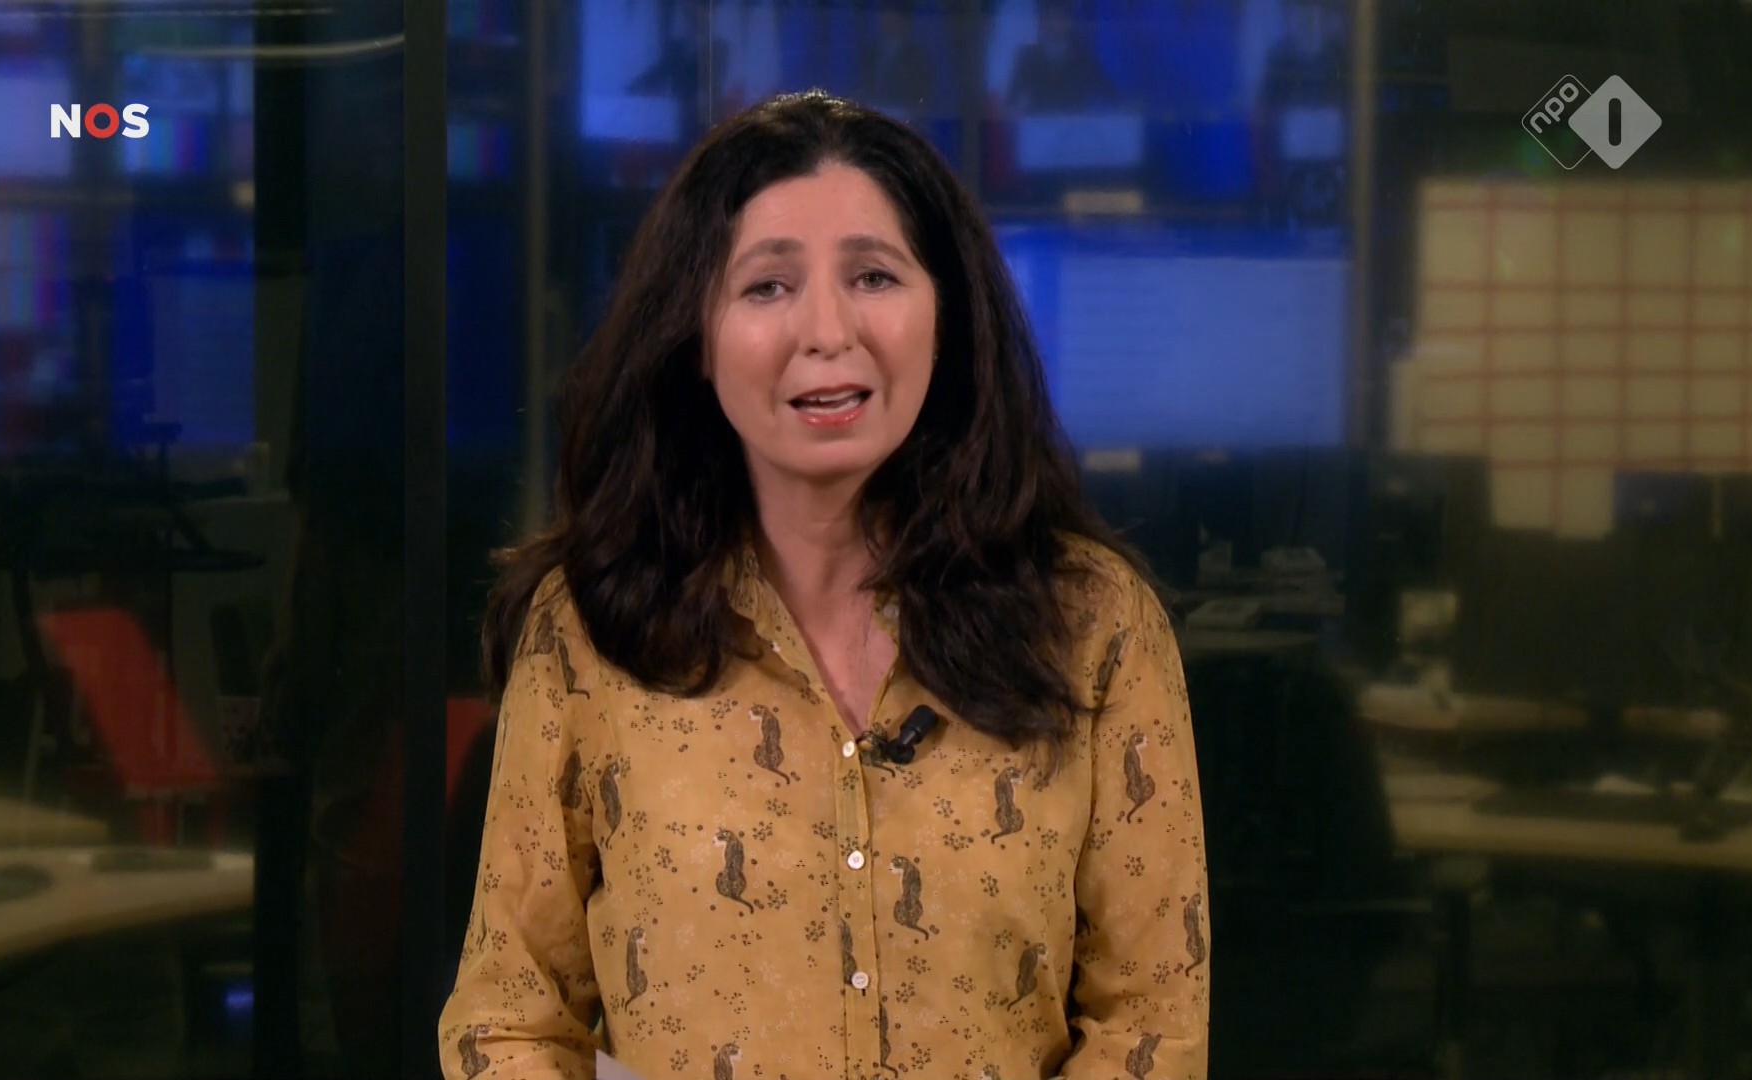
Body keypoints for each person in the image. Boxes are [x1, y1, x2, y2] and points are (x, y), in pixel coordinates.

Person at [439, 90, 1207, 1080]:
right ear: (697, 336)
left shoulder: (1093, 625)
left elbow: (1151, 1026)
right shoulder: (592, 627)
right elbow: (507, 1022)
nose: (827, 331)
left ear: (947, 316)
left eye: (874, 276)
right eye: (767, 287)